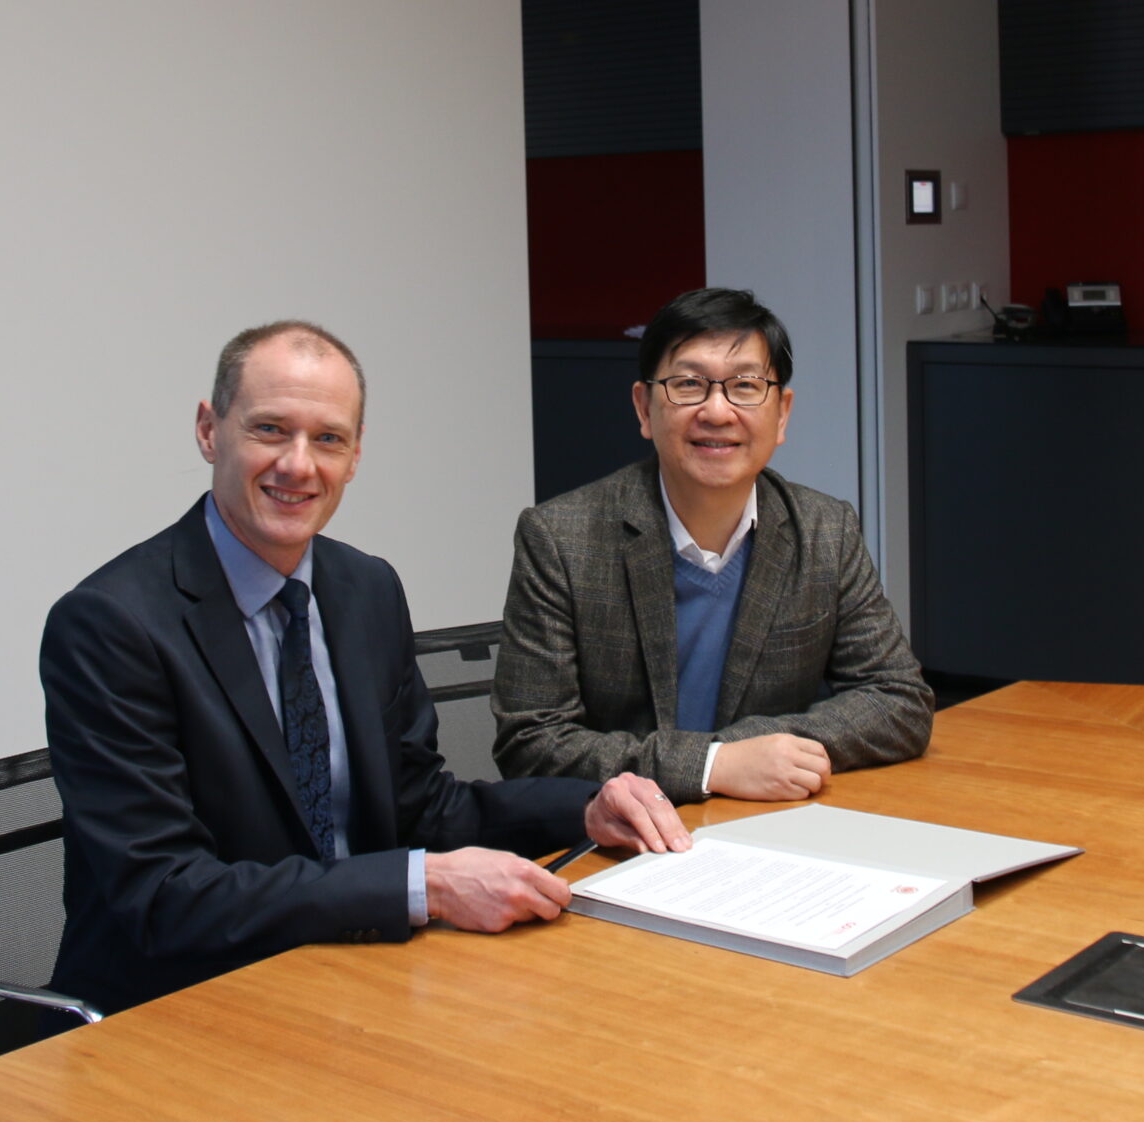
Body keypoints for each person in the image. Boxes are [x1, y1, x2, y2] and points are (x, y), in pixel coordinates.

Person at [42, 320, 688, 1014]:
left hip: (351, 981)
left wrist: (586, 807)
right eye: (269, 429)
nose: (298, 464)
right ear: (209, 430)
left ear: (354, 456)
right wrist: (424, 887)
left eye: (328, 438)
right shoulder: (111, 624)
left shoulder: (365, 589)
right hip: (177, 1007)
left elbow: (424, 807)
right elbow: (165, 894)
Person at [492, 287, 932, 802]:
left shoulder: (825, 531)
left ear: (782, 413)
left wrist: (752, 753)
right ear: (643, 407)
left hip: (773, 828)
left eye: (745, 386)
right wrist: (712, 766)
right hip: (622, 841)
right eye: (688, 385)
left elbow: (898, 699)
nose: (717, 411)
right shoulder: (562, 539)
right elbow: (530, 743)